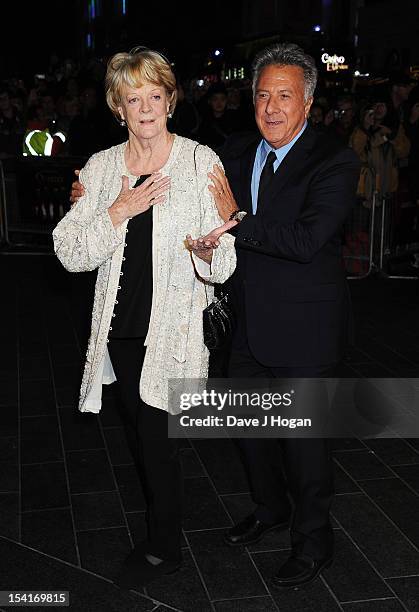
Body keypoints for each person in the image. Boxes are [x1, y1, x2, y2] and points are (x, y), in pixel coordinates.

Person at [53, 46, 236, 588]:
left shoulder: (202, 160)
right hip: (120, 333)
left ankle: (164, 546)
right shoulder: (102, 169)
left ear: (170, 99)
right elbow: (70, 251)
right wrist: (119, 209)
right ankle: (162, 529)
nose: (147, 107)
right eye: (134, 98)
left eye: (155, 95)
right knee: (138, 436)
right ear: (119, 107)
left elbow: (223, 265)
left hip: (173, 333)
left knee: (157, 442)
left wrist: (208, 248)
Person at [194, 42, 360, 588]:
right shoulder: (237, 153)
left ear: (308, 102)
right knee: (249, 433)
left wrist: (236, 219)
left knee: (305, 450)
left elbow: (309, 239)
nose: (271, 107)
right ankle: (270, 510)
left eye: (284, 96)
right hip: (246, 325)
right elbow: (181, 178)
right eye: (263, 95)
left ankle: (315, 542)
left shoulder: (334, 159)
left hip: (305, 332)